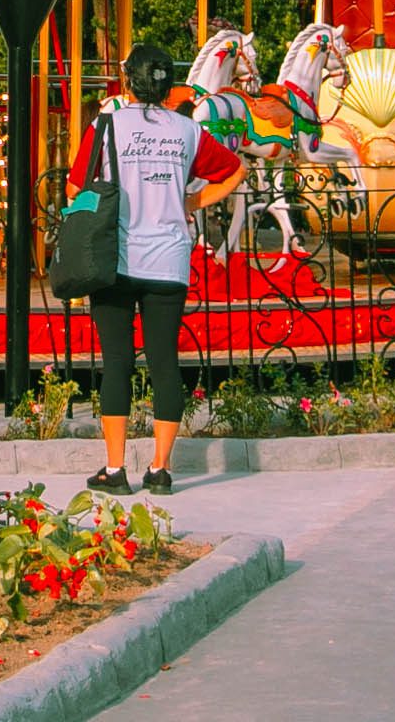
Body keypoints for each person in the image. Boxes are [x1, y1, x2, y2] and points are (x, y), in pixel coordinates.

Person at [66, 43, 242, 496]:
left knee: (117, 362)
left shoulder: (106, 125)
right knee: (164, 361)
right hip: (169, 259)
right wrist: (190, 200)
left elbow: (73, 188)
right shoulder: (186, 130)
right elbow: (234, 171)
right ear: (167, 86)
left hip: (117, 257)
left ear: (129, 82)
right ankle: (162, 469)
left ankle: (115, 468)